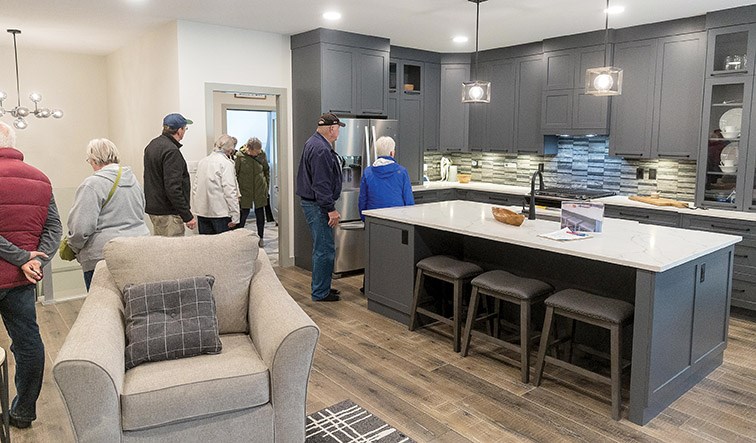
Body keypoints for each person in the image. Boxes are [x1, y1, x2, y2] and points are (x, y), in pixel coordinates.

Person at [0, 121, 62, 429]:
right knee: (28, 345)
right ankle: (23, 413)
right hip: (21, 280)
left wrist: (24, 257)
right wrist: (35, 260)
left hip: (16, 269)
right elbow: (54, 228)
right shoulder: (41, 178)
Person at [66, 139, 150, 290]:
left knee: (102, 306)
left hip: (103, 256)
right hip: (138, 248)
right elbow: (140, 212)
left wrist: (73, 247)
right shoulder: (134, 181)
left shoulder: (92, 184)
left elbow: (80, 227)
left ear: (93, 160)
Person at [296, 113, 345, 302]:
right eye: (338, 127)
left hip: (314, 203)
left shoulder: (314, 143)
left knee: (322, 247)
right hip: (318, 205)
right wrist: (330, 209)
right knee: (324, 249)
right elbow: (321, 183)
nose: (338, 131)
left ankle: (323, 287)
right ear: (332, 129)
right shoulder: (321, 149)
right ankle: (320, 292)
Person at [357, 135, 414, 293]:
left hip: (373, 221)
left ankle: (369, 287)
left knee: (374, 255)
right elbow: (409, 201)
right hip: (398, 221)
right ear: (392, 153)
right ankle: (395, 290)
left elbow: (362, 199)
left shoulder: (368, 172)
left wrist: (365, 219)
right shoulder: (402, 172)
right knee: (395, 257)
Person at [143, 113, 196, 236]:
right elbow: (173, 188)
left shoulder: (152, 145)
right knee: (172, 252)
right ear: (179, 130)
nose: (185, 132)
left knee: (161, 248)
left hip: (155, 209)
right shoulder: (171, 151)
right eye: (185, 128)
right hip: (168, 213)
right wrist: (187, 216)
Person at [192, 134, 240, 235]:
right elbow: (230, 191)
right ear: (230, 150)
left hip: (202, 212)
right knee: (223, 247)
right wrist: (235, 215)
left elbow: (195, 188)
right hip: (221, 213)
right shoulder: (226, 164)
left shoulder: (202, 162)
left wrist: (197, 207)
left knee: (207, 246)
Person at [235, 137, 270, 247]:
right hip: (245, 190)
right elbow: (235, 174)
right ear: (249, 149)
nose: (258, 153)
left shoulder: (262, 154)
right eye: (256, 151)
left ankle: (261, 237)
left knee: (260, 214)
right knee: (243, 214)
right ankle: (237, 238)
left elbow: (266, 170)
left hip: (260, 189)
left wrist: (266, 186)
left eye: (259, 151)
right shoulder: (240, 157)